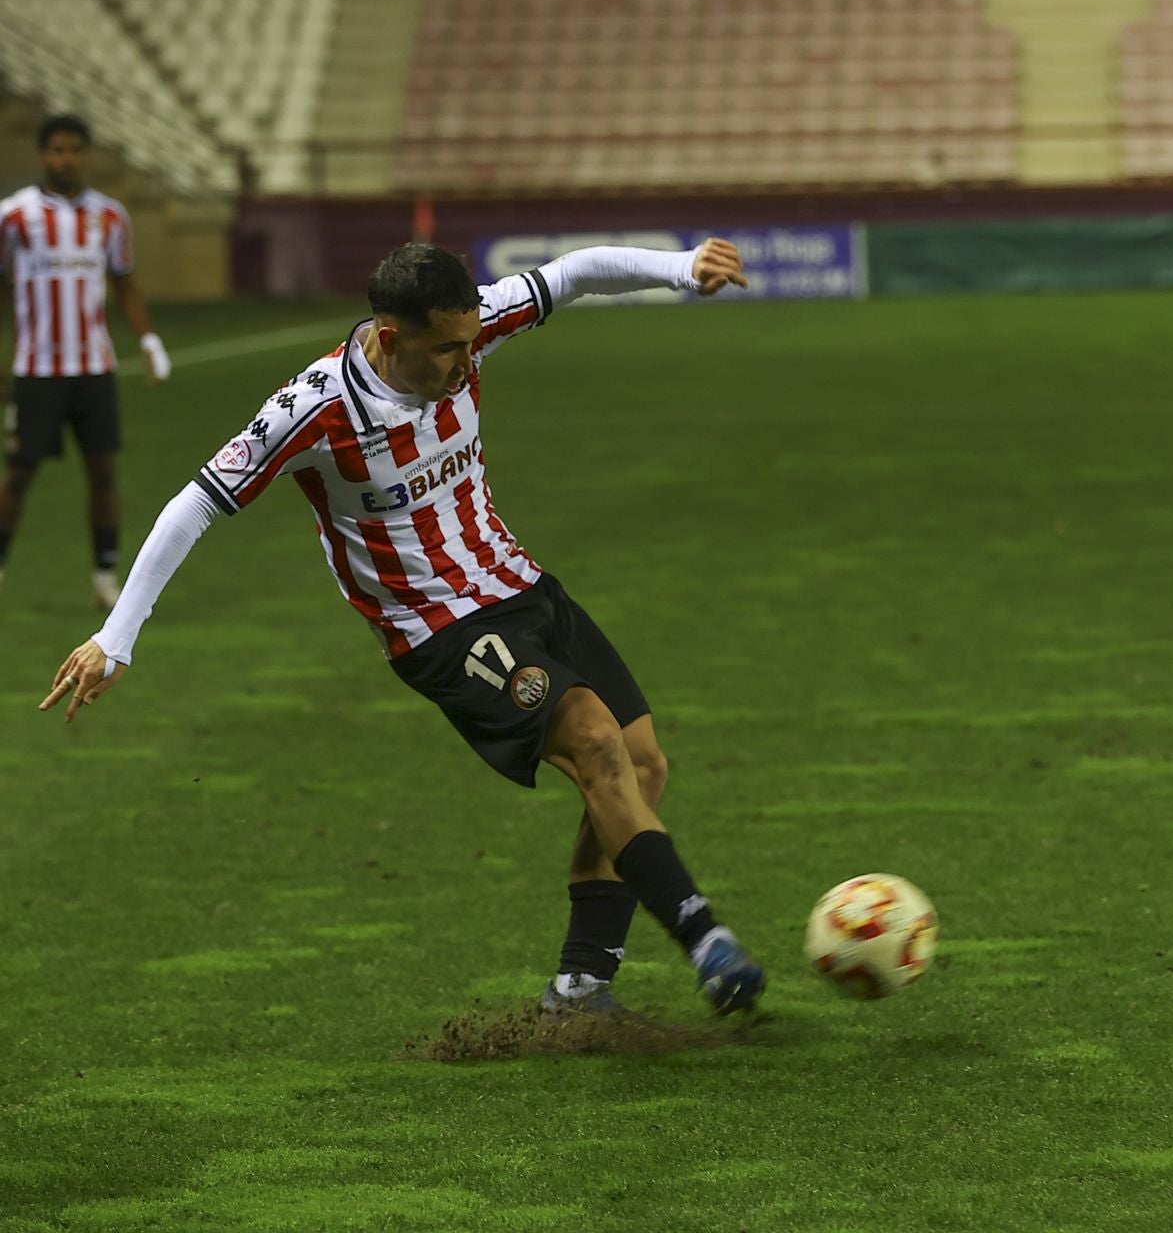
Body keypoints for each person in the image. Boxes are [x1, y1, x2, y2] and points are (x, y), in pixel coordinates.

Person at [40, 239, 767, 1019]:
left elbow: (574, 272)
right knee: (593, 741)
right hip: (436, 630)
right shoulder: (315, 408)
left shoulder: (471, 326)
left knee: (642, 765)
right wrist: (117, 636)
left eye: (469, 342)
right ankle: (704, 937)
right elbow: (197, 503)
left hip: (520, 585)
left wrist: (680, 268)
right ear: (391, 338)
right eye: (446, 349)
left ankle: (581, 986)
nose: (464, 362)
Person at [0, 114, 171, 609]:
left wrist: (148, 339)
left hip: (94, 367)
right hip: (36, 369)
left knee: (102, 471)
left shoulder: (110, 216)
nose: (65, 159)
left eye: (74, 150)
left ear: (86, 155)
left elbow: (124, 281)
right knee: (18, 473)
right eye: (56, 150)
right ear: (42, 155)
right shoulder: (14, 216)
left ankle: (104, 576)